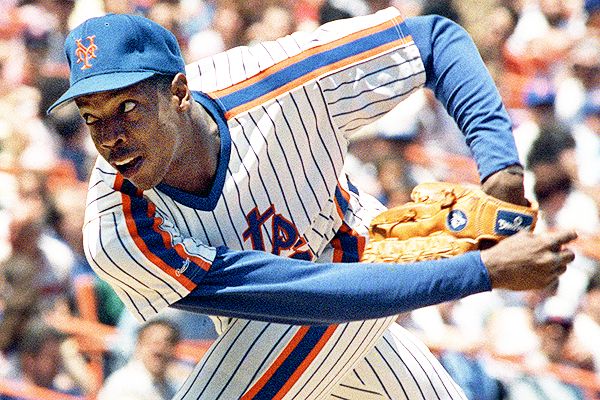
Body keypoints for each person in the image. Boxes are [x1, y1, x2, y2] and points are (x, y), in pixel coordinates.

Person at [48, 10, 577, 399]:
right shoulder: (117, 229)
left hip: (367, 250)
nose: (111, 135)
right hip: (291, 309)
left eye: (128, 107)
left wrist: (500, 167)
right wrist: (480, 271)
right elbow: (303, 296)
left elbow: (433, 41)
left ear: (180, 92)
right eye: (93, 117)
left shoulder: (275, 81)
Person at [98, 319, 182, 400]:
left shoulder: (170, 388)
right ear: (138, 346)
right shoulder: (125, 383)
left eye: (167, 343)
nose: (159, 349)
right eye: (153, 342)